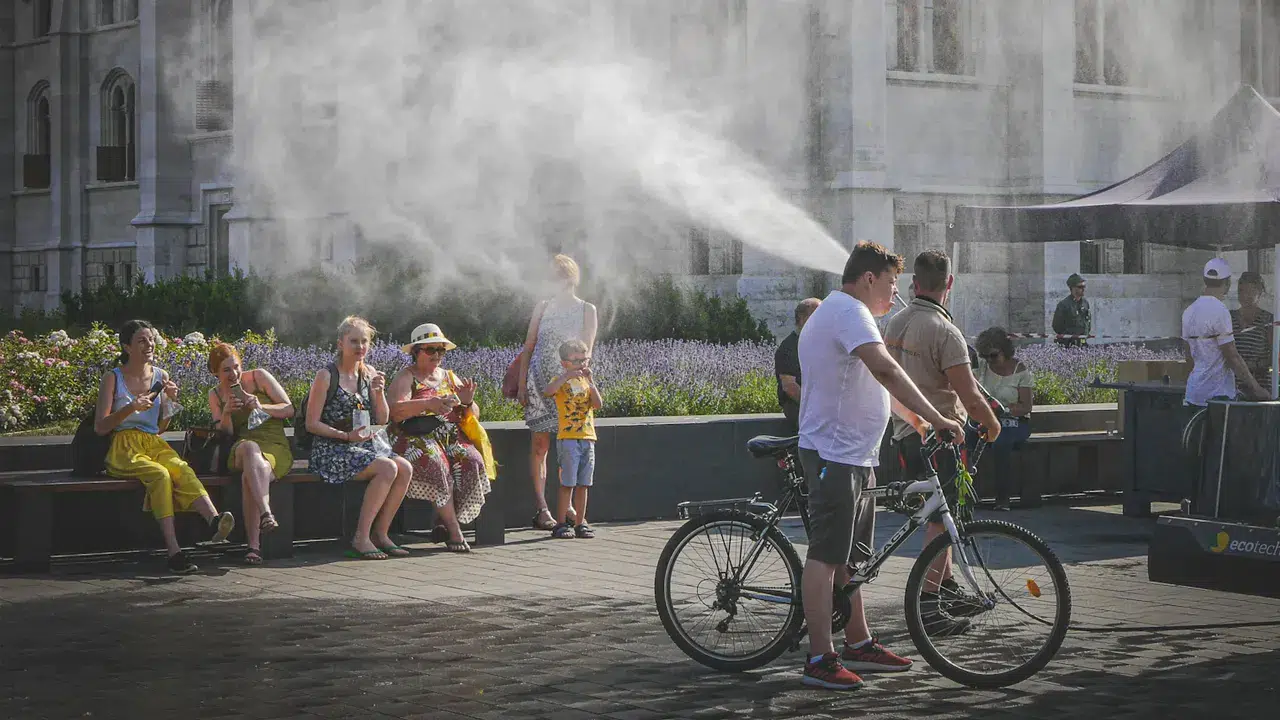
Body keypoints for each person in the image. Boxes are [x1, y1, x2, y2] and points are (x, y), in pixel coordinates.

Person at [796, 241, 965, 690]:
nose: (896, 293)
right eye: (891, 283)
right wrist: (937, 416)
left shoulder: (844, 311)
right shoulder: (850, 312)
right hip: (835, 453)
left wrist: (913, 418)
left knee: (851, 558)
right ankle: (819, 656)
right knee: (826, 556)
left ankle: (859, 642)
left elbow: (873, 384)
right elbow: (886, 369)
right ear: (869, 278)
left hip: (853, 453)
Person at [883, 251, 1000, 632]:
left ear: (914, 283)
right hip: (940, 439)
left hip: (904, 434)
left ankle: (946, 589)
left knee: (938, 517)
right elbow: (971, 396)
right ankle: (930, 608)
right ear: (949, 283)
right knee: (940, 523)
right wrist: (993, 423)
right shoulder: (945, 332)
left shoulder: (895, 323)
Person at [94, 320, 234, 574]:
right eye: (142, 340)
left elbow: (160, 427)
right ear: (127, 347)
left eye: (151, 339)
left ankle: (214, 522)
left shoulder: (161, 376)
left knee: (181, 468)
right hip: (123, 446)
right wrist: (130, 408)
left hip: (153, 442)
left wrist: (170, 401)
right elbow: (101, 427)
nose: (149, 345)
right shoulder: (112, 378)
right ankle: (174, 552)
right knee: (159, 475)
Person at [305, 316, 415, 560]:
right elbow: (311, 424)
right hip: (331, 449)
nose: (360, 347)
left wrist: (378, 393)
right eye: (353, 341)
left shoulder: (370, 374)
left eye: (364, 341)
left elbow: (383, 419)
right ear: (340, 344)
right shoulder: (326, 376)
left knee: (404, 467)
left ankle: (381, 534)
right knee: (387, 468)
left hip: (363, 446)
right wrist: (345, 436)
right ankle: (361, 537)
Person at [389, 323, 496, 553]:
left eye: (441, 350)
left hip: (448, 436)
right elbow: (395, 411)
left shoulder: (448, 376)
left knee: (472, 461)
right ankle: (454, 529)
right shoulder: (406, 377)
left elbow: (473, 414)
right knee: (437, 463)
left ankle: (442, 521)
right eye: (431, 350)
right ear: (416, 352)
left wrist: (467, 402)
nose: (437, 355)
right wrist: (428, 404)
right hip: (416, 437)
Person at [517, 254, 598, 531]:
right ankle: (542, 508)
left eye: (561, 276)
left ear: (571, 278)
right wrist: (521, 384)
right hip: (539, 384)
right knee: (540, 446)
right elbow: (528, 347)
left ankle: (570, 508)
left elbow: (587, 352)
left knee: (569, 447)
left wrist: (583, 384)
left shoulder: (587, 309)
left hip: (571, 391)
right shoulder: (542, 306)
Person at [207, 342, 295, 565]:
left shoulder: (259, 377)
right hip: (242, 446)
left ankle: (253, 547)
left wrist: (261, 406)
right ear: (215, 373)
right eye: (226, 370)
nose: (233, 373)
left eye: (236, 367)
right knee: (249, 448)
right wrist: (226, 414)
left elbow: (288, 409)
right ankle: (266, 513)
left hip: (274, 445)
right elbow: (224, 433)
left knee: (251, 474)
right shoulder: (215, 395)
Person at [1183, 259, 1268, 405]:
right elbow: (1232, 356)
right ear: (1227, 283)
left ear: (1205, 280)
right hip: (1217, 395)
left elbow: (1188, 356)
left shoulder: (1188, 311)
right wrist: (1257, 389)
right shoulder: (1220, 311)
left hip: (1193, 393)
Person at [543, 339, 603, 539]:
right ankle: (560, 523)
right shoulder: (560, 380)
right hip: (568, 437)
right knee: (567, 482)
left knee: (584, 483)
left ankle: (580, 523)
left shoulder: (586, 382)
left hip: (587, 437)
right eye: (576, 361)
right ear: (565, 363)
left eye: (584, 360)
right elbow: (549, 391)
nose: (581, 365)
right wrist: (567, 376)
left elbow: (598, 405)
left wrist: (591, 382)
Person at [972, 327, 1034, 511]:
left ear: (1005, 351)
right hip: (987, 420)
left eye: (993, 356)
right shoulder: (983, 369)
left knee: (1001, 443)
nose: (989, 361)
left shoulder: (1020, 371)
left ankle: (1003, 497)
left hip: (1014, 422)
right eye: (985, 357)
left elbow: (1026, 407)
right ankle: (966, 495)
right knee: (965, 441)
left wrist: (1004, 410)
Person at [775, 298, 821, 433]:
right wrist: (815, 407)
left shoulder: (819, 343)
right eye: (818, 315)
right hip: (798, 407)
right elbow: (790, 387)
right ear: (802, 318)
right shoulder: (788, 347)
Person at [1230, 271, 1274, 394]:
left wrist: (1253, 365)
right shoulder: (1229, 318)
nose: (1244, 296)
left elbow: (1274, 356)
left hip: (1261, 386)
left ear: (1259, 293)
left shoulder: (1268, 320)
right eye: (1241, 291)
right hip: (1234, 387)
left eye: (1250, 292)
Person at [1052, 274, 1091, 347]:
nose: (1083, 289)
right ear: (1072, 288)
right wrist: (1068, 335)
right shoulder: (1064, 305)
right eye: (1080, 287)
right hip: (1067, 343)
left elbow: (1088, 322)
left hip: (1082, 341)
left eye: (1084, 286)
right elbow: (1056, 326)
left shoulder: (1085, 303)